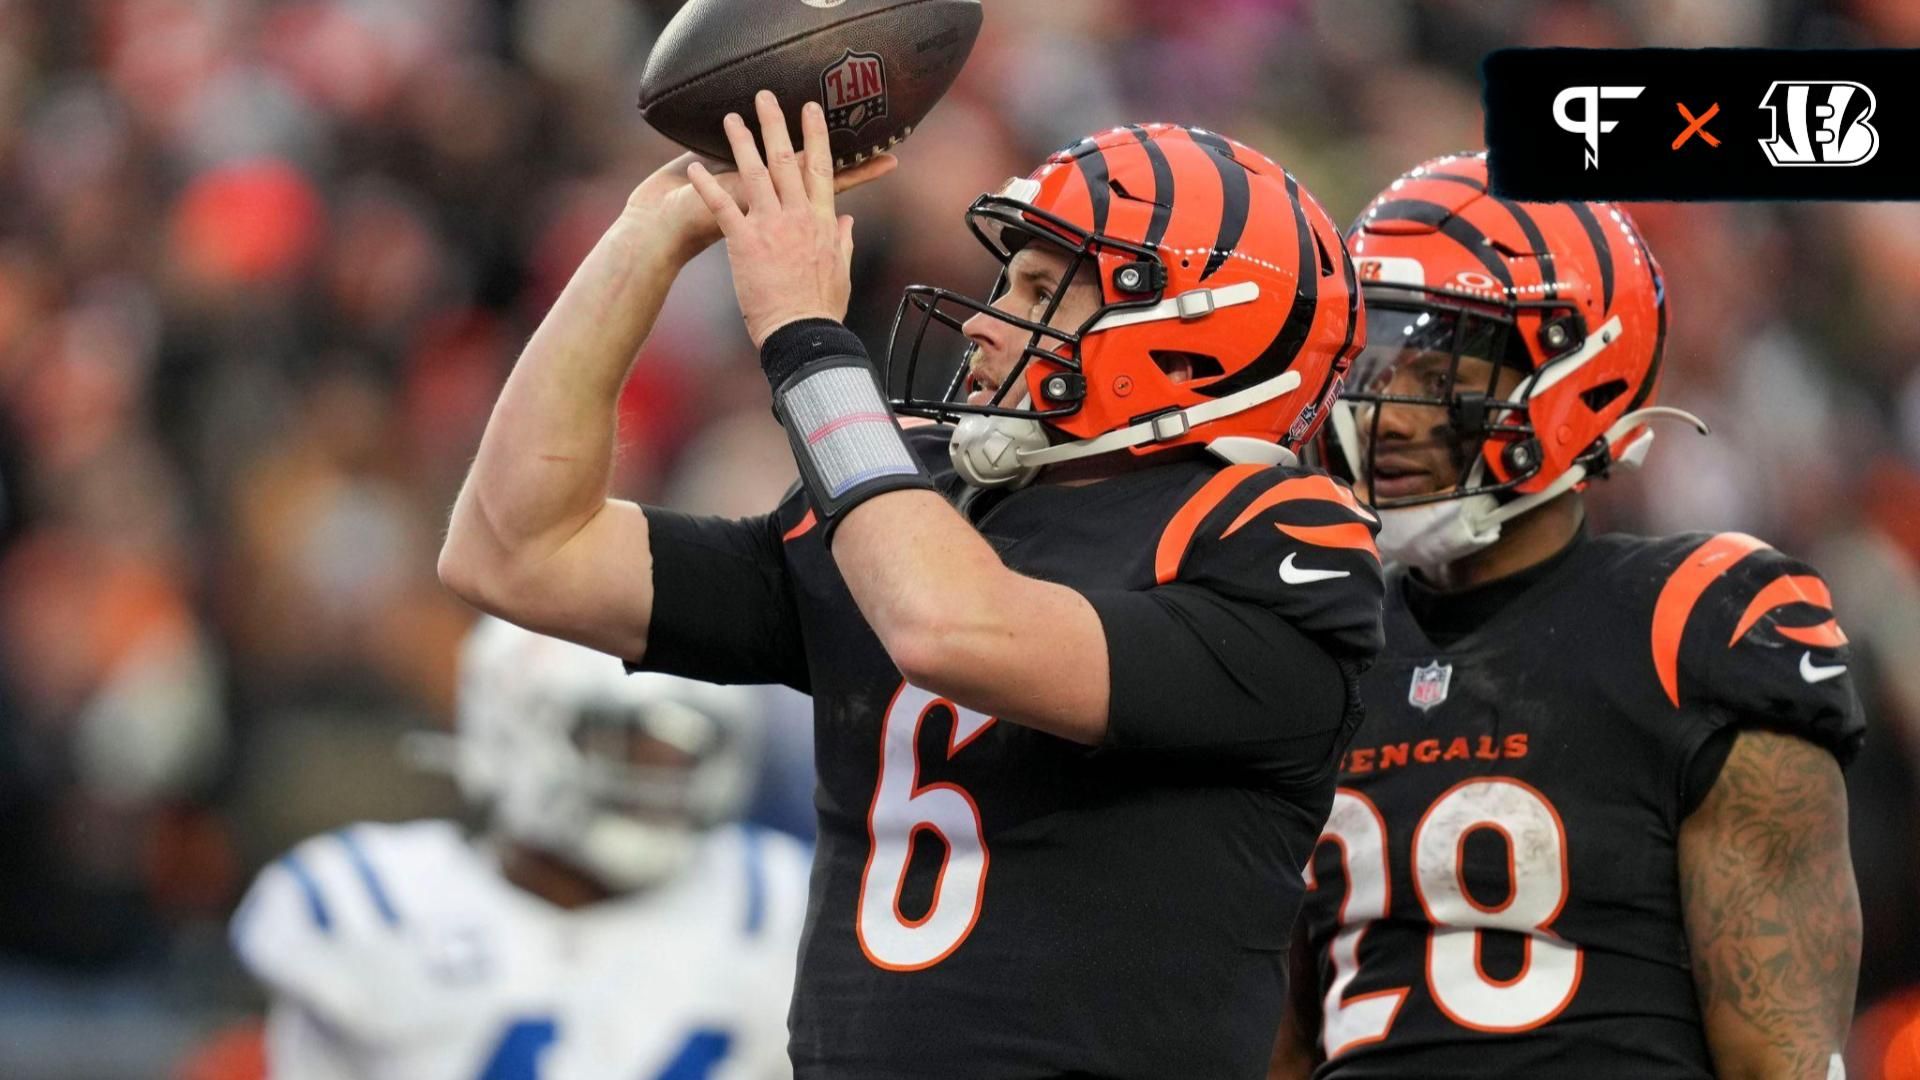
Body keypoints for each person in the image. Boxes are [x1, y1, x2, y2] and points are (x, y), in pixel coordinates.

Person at [438, 94, 1383, 1078]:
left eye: (1039, 290)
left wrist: (807, 337)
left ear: (1188, 332)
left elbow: (951, 630)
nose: (987, 320)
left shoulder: (1271, 540)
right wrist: (647, 242)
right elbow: (516, 551)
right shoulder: (928, 501)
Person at [1271, 152, 1865, 1080]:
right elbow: (1284, 1039)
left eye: (1435, 374)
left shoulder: (1692, 622)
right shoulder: (1317, 639)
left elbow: (1782, 1058)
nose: (1385, 415)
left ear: (1575, 375)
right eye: (1373, 365)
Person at [231, 617, 807, 1079]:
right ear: (515, 728)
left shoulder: (775, 904)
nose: (658, 780)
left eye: (683, 752)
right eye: (620, 744)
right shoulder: (366, 907)